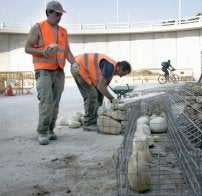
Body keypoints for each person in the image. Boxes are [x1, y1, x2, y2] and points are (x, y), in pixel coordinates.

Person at [25, 1, 79, 145]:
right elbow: (27, 48)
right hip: (43, 70)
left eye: (61, 14)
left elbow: (66, 51)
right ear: (49, 12)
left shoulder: (63, 31)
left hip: (58, 70)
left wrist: (74, 63)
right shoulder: (38, 28)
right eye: (57, 14)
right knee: (47, 101)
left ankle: (50, 129)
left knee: (55, 102)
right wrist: (43, 51)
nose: (59, 16)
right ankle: (42, 131)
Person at [71, 53, 132, 132]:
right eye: (123, 74)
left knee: (100, 95)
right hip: (78, 67)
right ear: (120, 67)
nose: (121, 76)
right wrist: (112, 99)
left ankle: (95, 118)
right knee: (92, 95)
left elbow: (102, 87)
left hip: (84, 69)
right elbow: (101, 86)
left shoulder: (112, 68)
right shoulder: (110, 67)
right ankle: (88, 123)